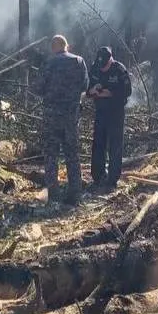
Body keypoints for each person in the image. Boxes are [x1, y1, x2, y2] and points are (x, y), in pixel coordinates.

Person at [37, 34, 88, 204]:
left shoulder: (49, 63)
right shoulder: (79, 62)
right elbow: (85, 86)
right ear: (67, 46)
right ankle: (75, 194)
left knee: (51, 155)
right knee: (72, 154)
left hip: (51, 117)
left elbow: (38, 88)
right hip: (71, 116)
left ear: (53, 47)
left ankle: (54, 195)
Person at [86, 46, 132, 192]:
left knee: (115, 145)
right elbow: (86, 88)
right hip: (100, 111)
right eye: (101, 65)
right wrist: (93, 91)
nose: (103, 68)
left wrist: (110, 93)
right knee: (98, 144)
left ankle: (113, 179)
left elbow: (127, 91)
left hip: (116, 112)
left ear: (111, 59)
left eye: (105, 65)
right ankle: (98, 176)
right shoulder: (95, 68)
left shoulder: (119, 69)